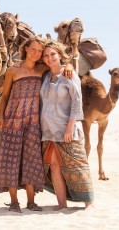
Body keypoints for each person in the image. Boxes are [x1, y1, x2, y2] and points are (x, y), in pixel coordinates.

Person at [0, 36, 72, 213]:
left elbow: (58, 64)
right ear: (26, 48)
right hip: (12, 121)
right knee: (10, 160)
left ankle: (31, 201)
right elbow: (4, 96)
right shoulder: (13, 70)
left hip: (34, 123)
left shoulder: (42, 69)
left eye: (40, 51)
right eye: (34, 50)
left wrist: (69, 65)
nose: (37, 54)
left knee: (31, 160)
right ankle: (14, 202)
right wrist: (1, 117)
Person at [40, 40, 94, 210]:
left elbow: (77, 102)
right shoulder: (46, 76)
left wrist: (70, 127)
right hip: (49, 129)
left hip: (67, 128)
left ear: (60, 55)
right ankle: (61, 204)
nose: (49, 58)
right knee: (55, 166)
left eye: (53, 54)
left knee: (77, 164)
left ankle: (89, 204)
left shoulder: (70, 75)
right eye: (46, 55)